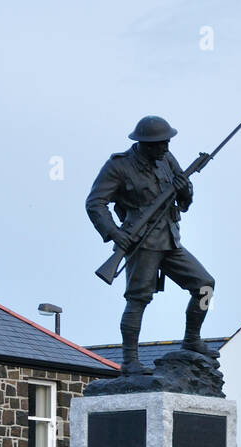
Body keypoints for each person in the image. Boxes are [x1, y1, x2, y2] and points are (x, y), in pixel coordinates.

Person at [86, 115, 215, 374]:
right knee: (138, 299)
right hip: (140, 241)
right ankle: (130, 360)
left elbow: (185, 199)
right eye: (160, 143)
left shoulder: (167, 159)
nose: (166, 148)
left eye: (167, 142)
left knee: (205, 285)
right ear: (144, 144)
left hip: (170, 238)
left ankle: (192, 338)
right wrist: (114, 233)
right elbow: (95, 203)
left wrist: (185, 191)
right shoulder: (118, 166)